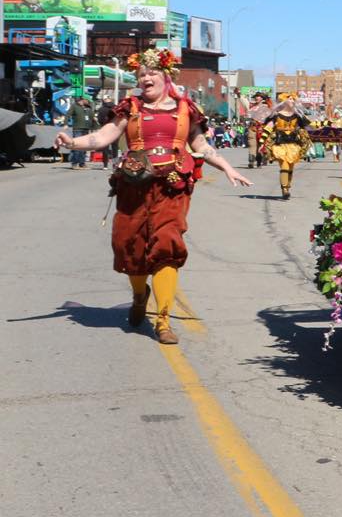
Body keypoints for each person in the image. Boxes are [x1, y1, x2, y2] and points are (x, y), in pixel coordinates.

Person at [56, 49, 251, 344]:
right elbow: (103, 136)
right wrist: (73, 142)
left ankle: (162, 320)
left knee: (166, 246)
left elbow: (200, 145)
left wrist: (226, 167)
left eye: (151, 73)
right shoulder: (130, 107)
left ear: (166, 76)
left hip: (172, 186)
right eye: (141, 74)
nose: (146, 78)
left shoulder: (187, 109)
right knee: (130, 246)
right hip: (134, 185)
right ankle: (139, 296)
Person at [264, 95, 311, 200]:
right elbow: (268, 128)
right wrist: (262, 141)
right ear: (284, 101)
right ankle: (285, 189)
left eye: (293, 99)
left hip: (293, 145)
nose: (292, 101)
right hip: (279, 144)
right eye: (289, 99)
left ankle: (287, 188)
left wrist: (326, 124)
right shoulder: (276, 115)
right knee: (284, 165)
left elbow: (310, 126)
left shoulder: (297, 115)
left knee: (290, 168)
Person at [68, 96, 97, 169]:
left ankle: (82, 163)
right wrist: (65, 123)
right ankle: (74, 163)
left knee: (84, 147)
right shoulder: (74, 106)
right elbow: (68, 115)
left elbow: (92, 118)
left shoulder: (88, 108)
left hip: (86, 129)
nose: (87, 101)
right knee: (77, 146)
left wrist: (95, 127)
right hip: (77, 129)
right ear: (83, 100)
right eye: (86, 100)